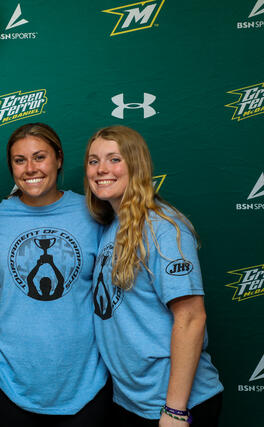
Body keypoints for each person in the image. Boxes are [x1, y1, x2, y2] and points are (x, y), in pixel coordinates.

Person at [84, 125, 223, 426]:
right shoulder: (113, 226)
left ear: (136, 165)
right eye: (93, 161)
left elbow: (191, 318)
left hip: (172, 404)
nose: (101, 169)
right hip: (132, 400)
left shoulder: (163, 227)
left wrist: (175, 410)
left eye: (114, 159)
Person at [0, 123, 110, 427]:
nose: (30, 168)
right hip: (7, 382)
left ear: (59, 159)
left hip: (86, 383)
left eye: (40, 157)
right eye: (19, 160)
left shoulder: (94, 212)